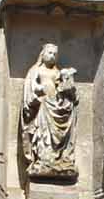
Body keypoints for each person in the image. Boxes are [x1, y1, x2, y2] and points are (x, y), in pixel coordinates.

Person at [21, 43, 79, 182]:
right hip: (43, 106)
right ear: (43, 54)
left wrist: (67, 86)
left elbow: (63, 88)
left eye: (55, 54)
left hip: (55, 105)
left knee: (60, 128)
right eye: (50, 53)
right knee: (43, 133)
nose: (52, 56)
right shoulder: (35, 70)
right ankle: (44, 158)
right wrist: (38, 91)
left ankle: (59, 158)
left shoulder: (57, 72)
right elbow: (30, 89)